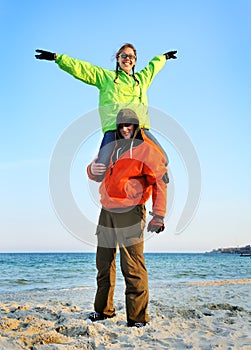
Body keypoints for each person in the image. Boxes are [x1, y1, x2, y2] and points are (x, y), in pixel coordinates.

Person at [86, 108, 168, 328]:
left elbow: (160, 182)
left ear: (136, 127)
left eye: (129, 125)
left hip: (131, 211)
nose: (124, 129)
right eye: (121, 125)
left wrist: (158, 215)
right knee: (103, 263)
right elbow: (96, 173)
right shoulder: (110, 148)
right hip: (107, 211)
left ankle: (138, 318)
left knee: (132, 266)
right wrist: (92, 169)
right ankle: (103, 311)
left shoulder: (147, 151)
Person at [35, 44, 177, 167]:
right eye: (124, 55)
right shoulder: (106, 78)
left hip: (139, 129)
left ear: (135, 61)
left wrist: (164, 57)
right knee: (102, 166)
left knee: (163, 159)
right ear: (118, 58)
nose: (128, 58)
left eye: (131, 56)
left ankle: (143, 189)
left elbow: (153, 67)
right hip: (114, 128)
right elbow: (84, 69)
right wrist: (58, 58)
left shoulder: (141, 79)